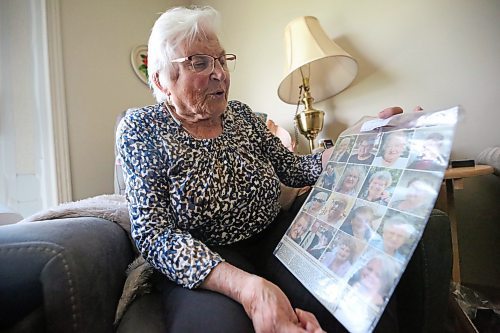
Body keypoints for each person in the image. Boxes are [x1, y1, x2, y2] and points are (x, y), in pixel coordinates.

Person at [117, 5, 406, 332]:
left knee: (358, 291)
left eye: (222, 60)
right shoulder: (141, 128)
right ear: (161, 79)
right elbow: (153, 233)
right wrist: (247, 287)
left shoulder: (241, 115)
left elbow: (295, 170)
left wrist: (359, 140)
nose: (220, 73)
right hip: (206, 258)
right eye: (199, 62)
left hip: (277, 240)